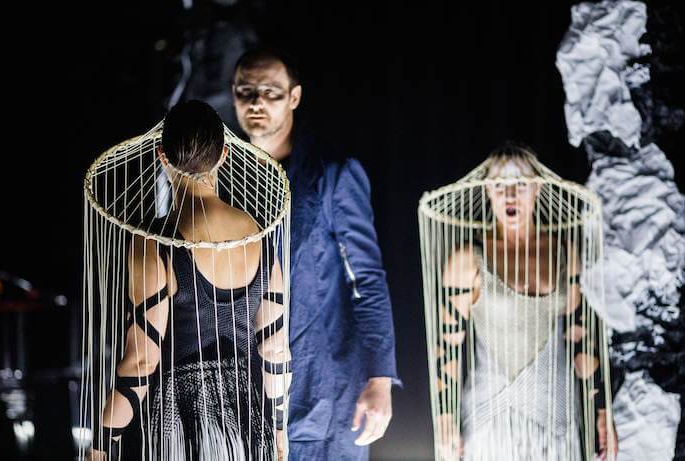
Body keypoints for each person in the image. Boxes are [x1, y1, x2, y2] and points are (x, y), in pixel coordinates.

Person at [88, 100, 290, 460]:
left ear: (162, 157)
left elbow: (141, 362)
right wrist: (276, 428)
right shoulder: (258, 236)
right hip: (248, 418)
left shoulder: (155, 244)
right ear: (224, 155)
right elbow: (275, 350)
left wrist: (101, 445)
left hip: (179, 427)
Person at [231, 47, 400, 460]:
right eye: (245, 90)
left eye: (270, 91)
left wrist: (380, 377)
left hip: (326, 386)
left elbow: (367, 278)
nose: (256, 102)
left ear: (294, 96)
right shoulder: (224, 181)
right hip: (243, 391)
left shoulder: (333, 174)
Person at [437, 142, 617, 460]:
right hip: (490, 416)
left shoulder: (563, 252)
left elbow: (581, 339)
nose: (509, 195)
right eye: (499, 185)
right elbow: (447, 345)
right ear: (487, 192)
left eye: (519, 184)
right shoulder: (467, 259)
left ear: (536, 189)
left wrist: (602, 411)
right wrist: (445, 419)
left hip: (556, 415)